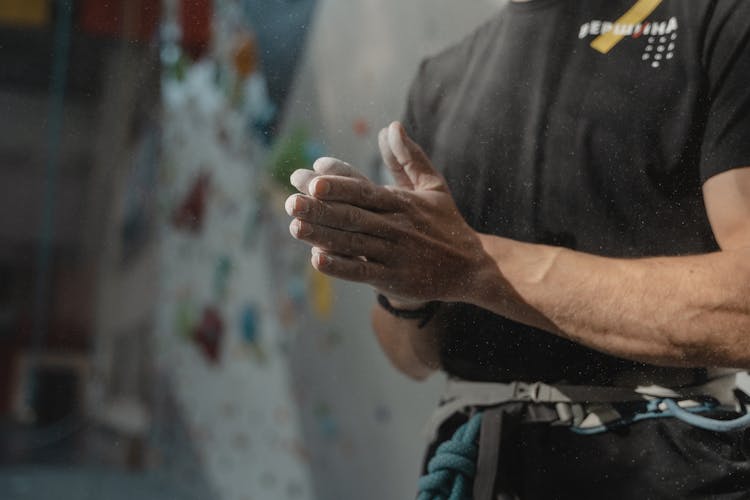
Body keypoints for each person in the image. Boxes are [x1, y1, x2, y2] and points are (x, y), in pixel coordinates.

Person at [286, 0, 750, 497]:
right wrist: (403, 287)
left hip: (678, 468)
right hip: (481, 469)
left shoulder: (715, 19)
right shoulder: (440, 77)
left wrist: (472, 266)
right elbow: (410, 357)